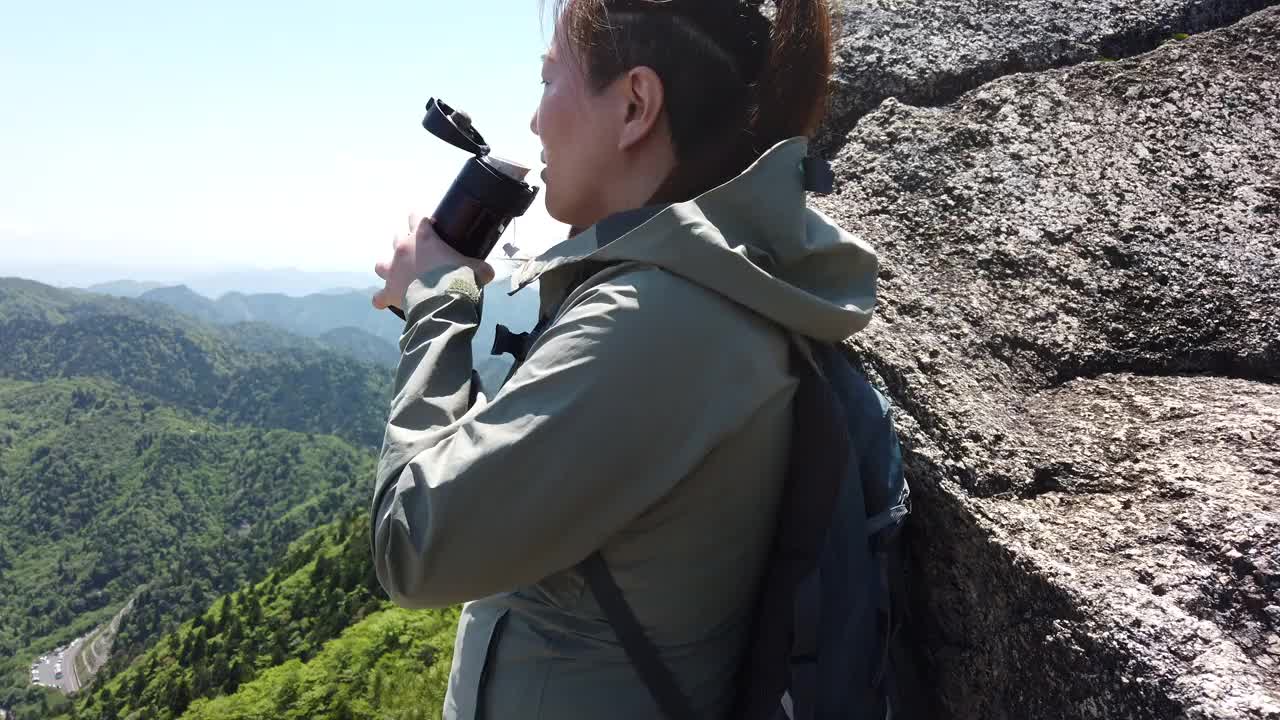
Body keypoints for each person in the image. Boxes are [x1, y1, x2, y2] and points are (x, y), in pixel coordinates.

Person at [369, 0, 879, 717]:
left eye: (550, 81)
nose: (534, 121)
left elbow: (410, 546)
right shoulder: (692, 293)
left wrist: (436, 300)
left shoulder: (659, 322)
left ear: (636, 104)